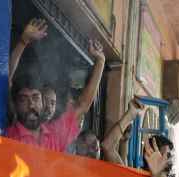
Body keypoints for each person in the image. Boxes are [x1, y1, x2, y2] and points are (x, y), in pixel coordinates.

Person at [6, 20, 105, 152]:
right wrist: (23, 42)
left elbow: (83, 104)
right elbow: (6, 80)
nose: (31, 105)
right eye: (23, 99)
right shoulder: (10, 135)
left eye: (35, 98)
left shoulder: (55, 135)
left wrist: (101, 61)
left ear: (42, 103)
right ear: (16, 105)